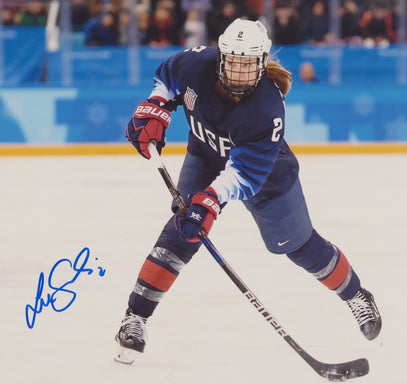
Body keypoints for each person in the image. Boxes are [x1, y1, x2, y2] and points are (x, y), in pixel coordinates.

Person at [114, 18, 382, 364]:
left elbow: (243, 173)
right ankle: (135, 318)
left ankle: (355, 295)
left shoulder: (267, 109)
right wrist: (155, 107)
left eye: (248, 65)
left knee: (298, 246)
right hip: (205, 154)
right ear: (221, 57)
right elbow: (168, 76)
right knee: (182, 233)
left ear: (262, 62)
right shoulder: (196, 64)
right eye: (234, 63)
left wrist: (208, 201)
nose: (239, 73)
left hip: (265, 173)